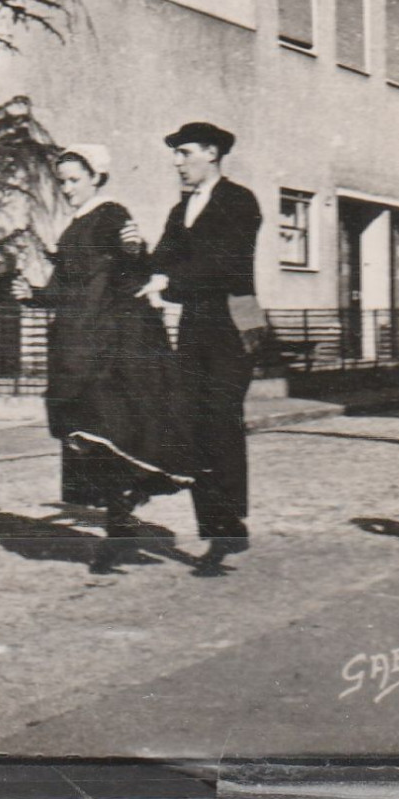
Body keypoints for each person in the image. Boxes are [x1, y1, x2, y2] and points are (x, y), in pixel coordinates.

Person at [11, 145, 195, 565]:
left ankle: (122, 518)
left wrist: (135, 249)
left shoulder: (110, 214)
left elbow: (135, 264)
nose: (67, 188)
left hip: (108, 341)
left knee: (106, 426)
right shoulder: (74, 225)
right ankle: (121, 520)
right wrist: (34, 296)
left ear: (97, 178)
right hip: (79, 337)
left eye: (75, 179)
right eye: (62, 181)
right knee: (89, 432)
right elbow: (63, 288)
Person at [135, 122, 263, 573]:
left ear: (211, 153)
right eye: (174, 154)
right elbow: (162, 258)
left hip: (231, 322)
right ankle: (220, 527)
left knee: (221, 418)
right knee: (193, 422)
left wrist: (168, 281)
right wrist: (137, 257)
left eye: (184, 152)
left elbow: (222, 262)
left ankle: (227, 526)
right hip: (194, 325)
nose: (177, 162)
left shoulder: (239, 201)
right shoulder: (181, 209)